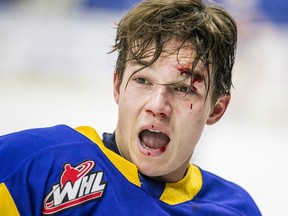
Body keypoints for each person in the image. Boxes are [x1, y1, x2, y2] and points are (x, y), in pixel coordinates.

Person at [0, 0, 261, 215]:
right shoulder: (34, 164)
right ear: (118, 87)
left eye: (183, 88)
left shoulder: (236, 209)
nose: (158, 105)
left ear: (216, 109)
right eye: (142, 80)